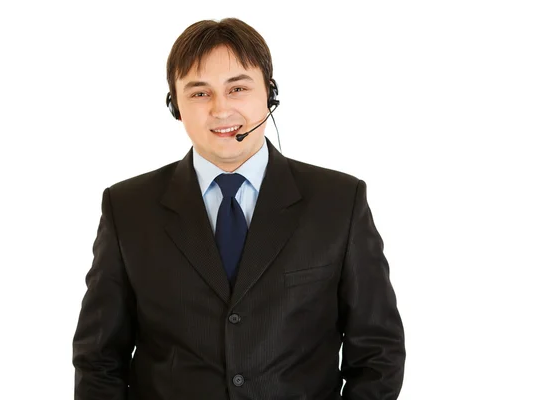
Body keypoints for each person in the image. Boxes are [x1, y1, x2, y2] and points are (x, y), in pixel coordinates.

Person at [72, 17, 406, 400]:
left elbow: (379, 354)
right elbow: (98, 360)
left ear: (270, 94)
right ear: (174, 106)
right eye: (199, 93)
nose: (220, 109)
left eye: (238, 88)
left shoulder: (339, 202)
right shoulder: (127, 208)